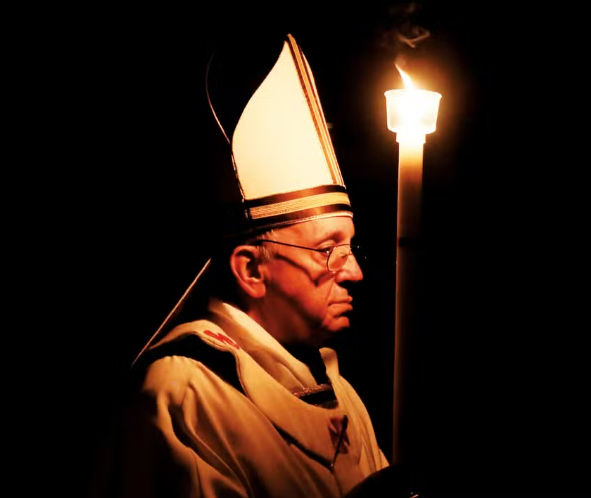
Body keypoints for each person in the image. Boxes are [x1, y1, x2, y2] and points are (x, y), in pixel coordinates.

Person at [90, 34, 393, 497]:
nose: (355, 273)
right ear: (251, 270)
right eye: (329, 250)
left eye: (352, 249)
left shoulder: (340, 392)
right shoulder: (187, 394)